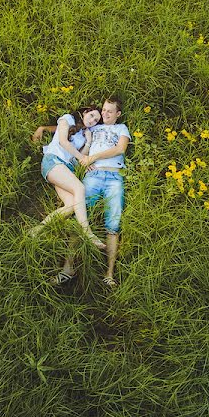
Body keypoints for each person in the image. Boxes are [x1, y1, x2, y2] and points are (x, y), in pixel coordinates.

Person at [51, 97, 130, 287]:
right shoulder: (92, 128)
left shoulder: (122, 129)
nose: (104, 114)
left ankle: (109, 274)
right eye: (103, 110)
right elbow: (65, 130)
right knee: (80, 218)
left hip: (113, 177)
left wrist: (92, 157)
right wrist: (42, 129)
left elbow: (120, 149)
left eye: (110, 111)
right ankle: (68, 269)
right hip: (93, 176)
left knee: (113, 224)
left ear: (118, 114)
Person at [29, 105, 106, 250]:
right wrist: (83, 157)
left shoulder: (84, 134)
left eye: (96, 120)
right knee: (79, 188)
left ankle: (37, 230)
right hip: (53, 161)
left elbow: (78, 161)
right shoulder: (67, 118)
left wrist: (88, 142)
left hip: (66, 169)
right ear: (85, 112)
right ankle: (88, 233)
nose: (93, 121)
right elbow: (63, 142)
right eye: (91, 116)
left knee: (71, 205)